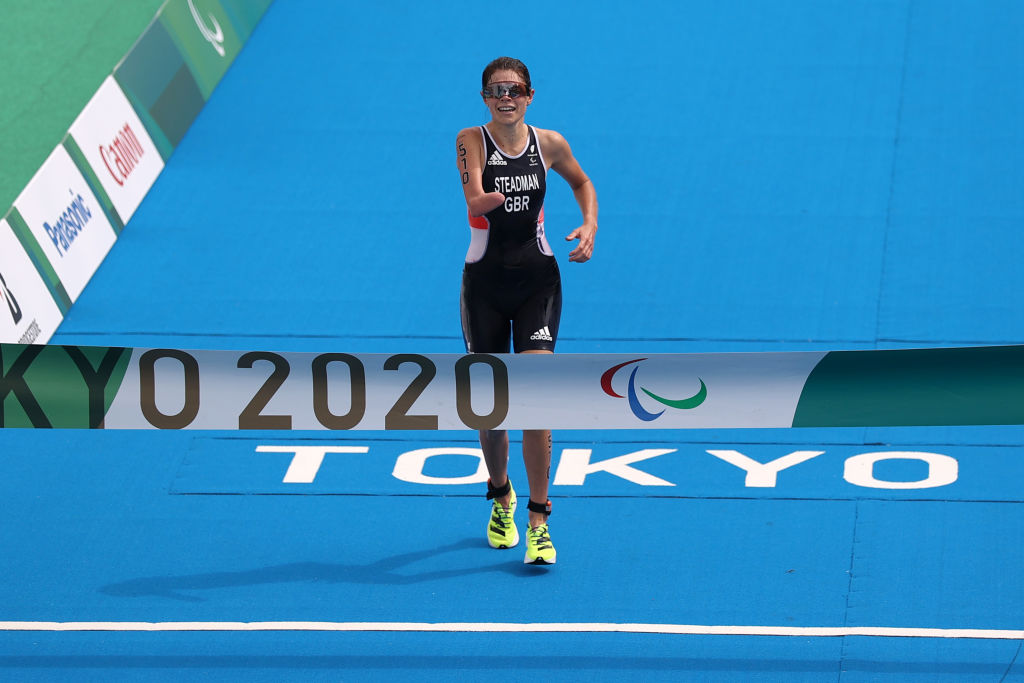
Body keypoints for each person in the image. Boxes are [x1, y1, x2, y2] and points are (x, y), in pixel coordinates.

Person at [456, 56, 598, 565]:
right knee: (490, 409)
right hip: (485, 287)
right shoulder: (471, 139)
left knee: (537, 397)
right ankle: (500, 496)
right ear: (485, 98)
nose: (505, 98)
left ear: (530, 95)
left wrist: (589, 224)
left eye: (514, 89)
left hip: (538, 281)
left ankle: (539, 520)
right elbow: (474, 197)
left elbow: (582, 182)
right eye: (495, 90)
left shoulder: (550, 144)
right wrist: (487, 197)